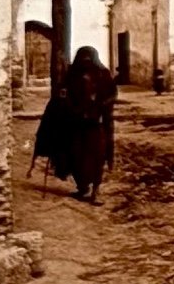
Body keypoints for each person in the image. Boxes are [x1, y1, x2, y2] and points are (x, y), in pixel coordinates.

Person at [30, 46, 116, 202]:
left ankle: (96, 191)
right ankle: (82, 188)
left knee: (97, 158)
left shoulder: (103, 74)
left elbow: (111, 95)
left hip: (96, 125)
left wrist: (99, 105)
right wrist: (64, 101)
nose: (86, 62)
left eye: (89, 59)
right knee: (77, 158)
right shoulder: (71, 75)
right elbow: (62, 97)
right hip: (76, 126)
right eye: (83, 59)